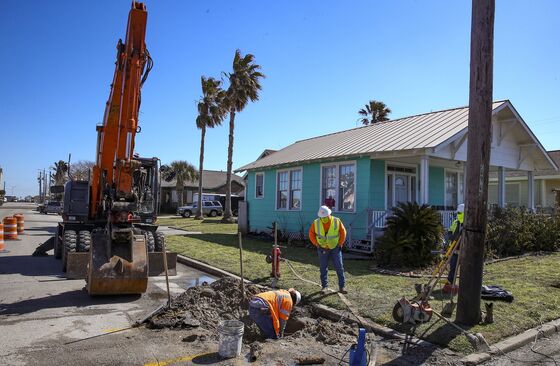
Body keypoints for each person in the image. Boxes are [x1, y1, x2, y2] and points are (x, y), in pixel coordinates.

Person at [309, 205, 347, 294]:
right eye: (322, 217)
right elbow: (311, 233)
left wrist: (340, 243)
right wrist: (316, 243)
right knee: (323, 268)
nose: (324, 219)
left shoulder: (336, 221)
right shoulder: (316, 222)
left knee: (339, 267)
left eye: (325, 217)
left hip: (335, 248)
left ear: (329, 214)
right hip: (322, 248)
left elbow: (343, 232)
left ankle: (342, 287)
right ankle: (324, 287)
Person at [443, 203, 464, 294]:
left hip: (464, 251)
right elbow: (449, 233)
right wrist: (452, 236)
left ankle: (463, 287)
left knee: (465, 269)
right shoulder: (456, 222)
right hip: (454, 250)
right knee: (453, 268)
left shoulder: (469, 224)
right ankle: (450, 284)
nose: (458, 215)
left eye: (460, 213)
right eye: (458, 213)